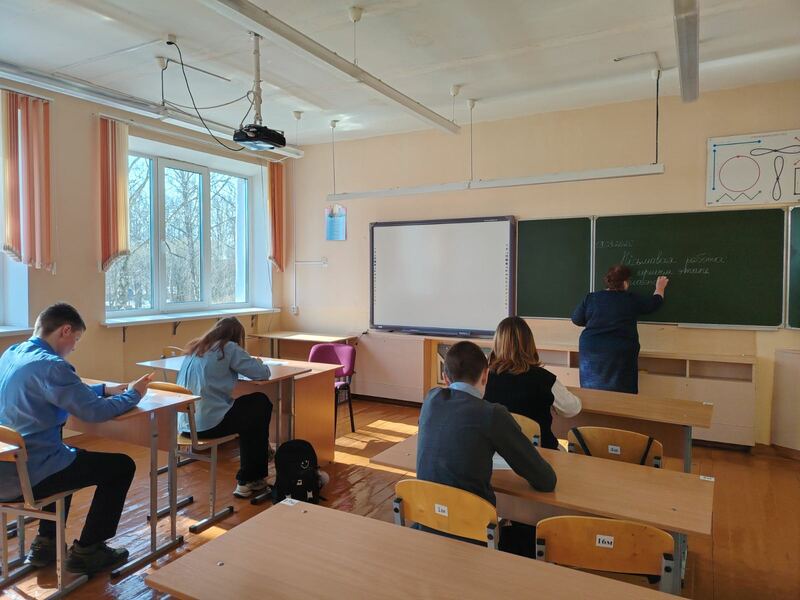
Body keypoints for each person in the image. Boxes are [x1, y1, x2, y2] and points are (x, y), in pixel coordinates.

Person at [0, 303, 152, 574]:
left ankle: (46, 543)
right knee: (122, 466)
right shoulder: (52, 365)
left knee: (69, 457)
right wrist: (134, 394)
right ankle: (88, 550)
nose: (74, 347)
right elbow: (95, 412)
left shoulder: (13, 353)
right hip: (28, 476)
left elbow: (59, 391)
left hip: (6, 468)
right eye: (76, 339)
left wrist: (103, 388)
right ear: (65, 330)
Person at [417, 341, 556, 510]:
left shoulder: (431, 399)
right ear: (485, 375)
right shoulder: (492, 414)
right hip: (473, 521)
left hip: (426, 514)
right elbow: (545, 480)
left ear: (445, 378)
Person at [178, 317, 273, 498]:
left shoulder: (196, 348)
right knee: (260, 403)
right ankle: (249, 478)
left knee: (250, 414)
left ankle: (254, 471)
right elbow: (262, 373)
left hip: (186, 426)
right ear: (237, 336)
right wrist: (259, 362)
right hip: (209, 424)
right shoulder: (228, 348)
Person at [484, 316, 581, 449]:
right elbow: (572, 409)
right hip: (539, 454)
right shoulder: (544, 379)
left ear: (496, 344)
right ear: (529, 344)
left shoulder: (483, 378)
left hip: (497, 452)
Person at [571, 265, 669, 393]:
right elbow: (653, 304)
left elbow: (576, 319)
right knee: (622, 391)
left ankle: (594, 405)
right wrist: (659, 288)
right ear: (625, 283)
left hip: (591, 348)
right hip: (620, 350)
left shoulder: (591, 298)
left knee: (592, 389)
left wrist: (595, 323)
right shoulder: (630, 299)